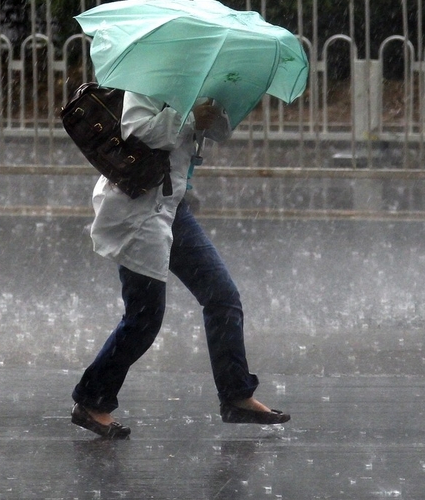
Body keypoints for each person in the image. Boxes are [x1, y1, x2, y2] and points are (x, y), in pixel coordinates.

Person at [71, 91, 289, 438]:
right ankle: (91, 400)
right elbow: (135, 130)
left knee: (221, 296)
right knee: (144, 317)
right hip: (139, 206)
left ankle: (236, 395)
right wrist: (188, 118)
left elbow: (217, 133)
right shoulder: (147, 77)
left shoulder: (197, 77)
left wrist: (213, 110)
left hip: (173, 207)